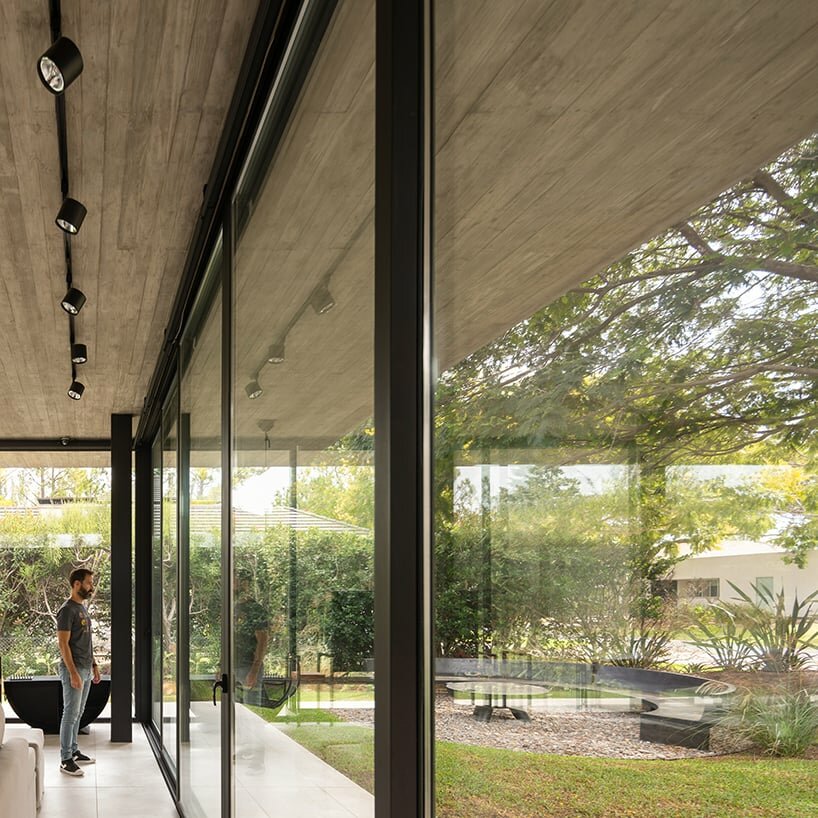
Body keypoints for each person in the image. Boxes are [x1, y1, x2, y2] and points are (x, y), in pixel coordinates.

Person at [56, 567, 100, 777]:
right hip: (73, 669)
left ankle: (73, 751)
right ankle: (65, 760)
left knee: (78, 713)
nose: (91, 586)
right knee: (70, 714)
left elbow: (86, 641)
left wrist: (94, 665)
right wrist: (73, 673)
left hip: (85, 667)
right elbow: (63, 644)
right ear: (77, 584)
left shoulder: (82, 608)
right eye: (89, 582)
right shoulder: (67, 610)